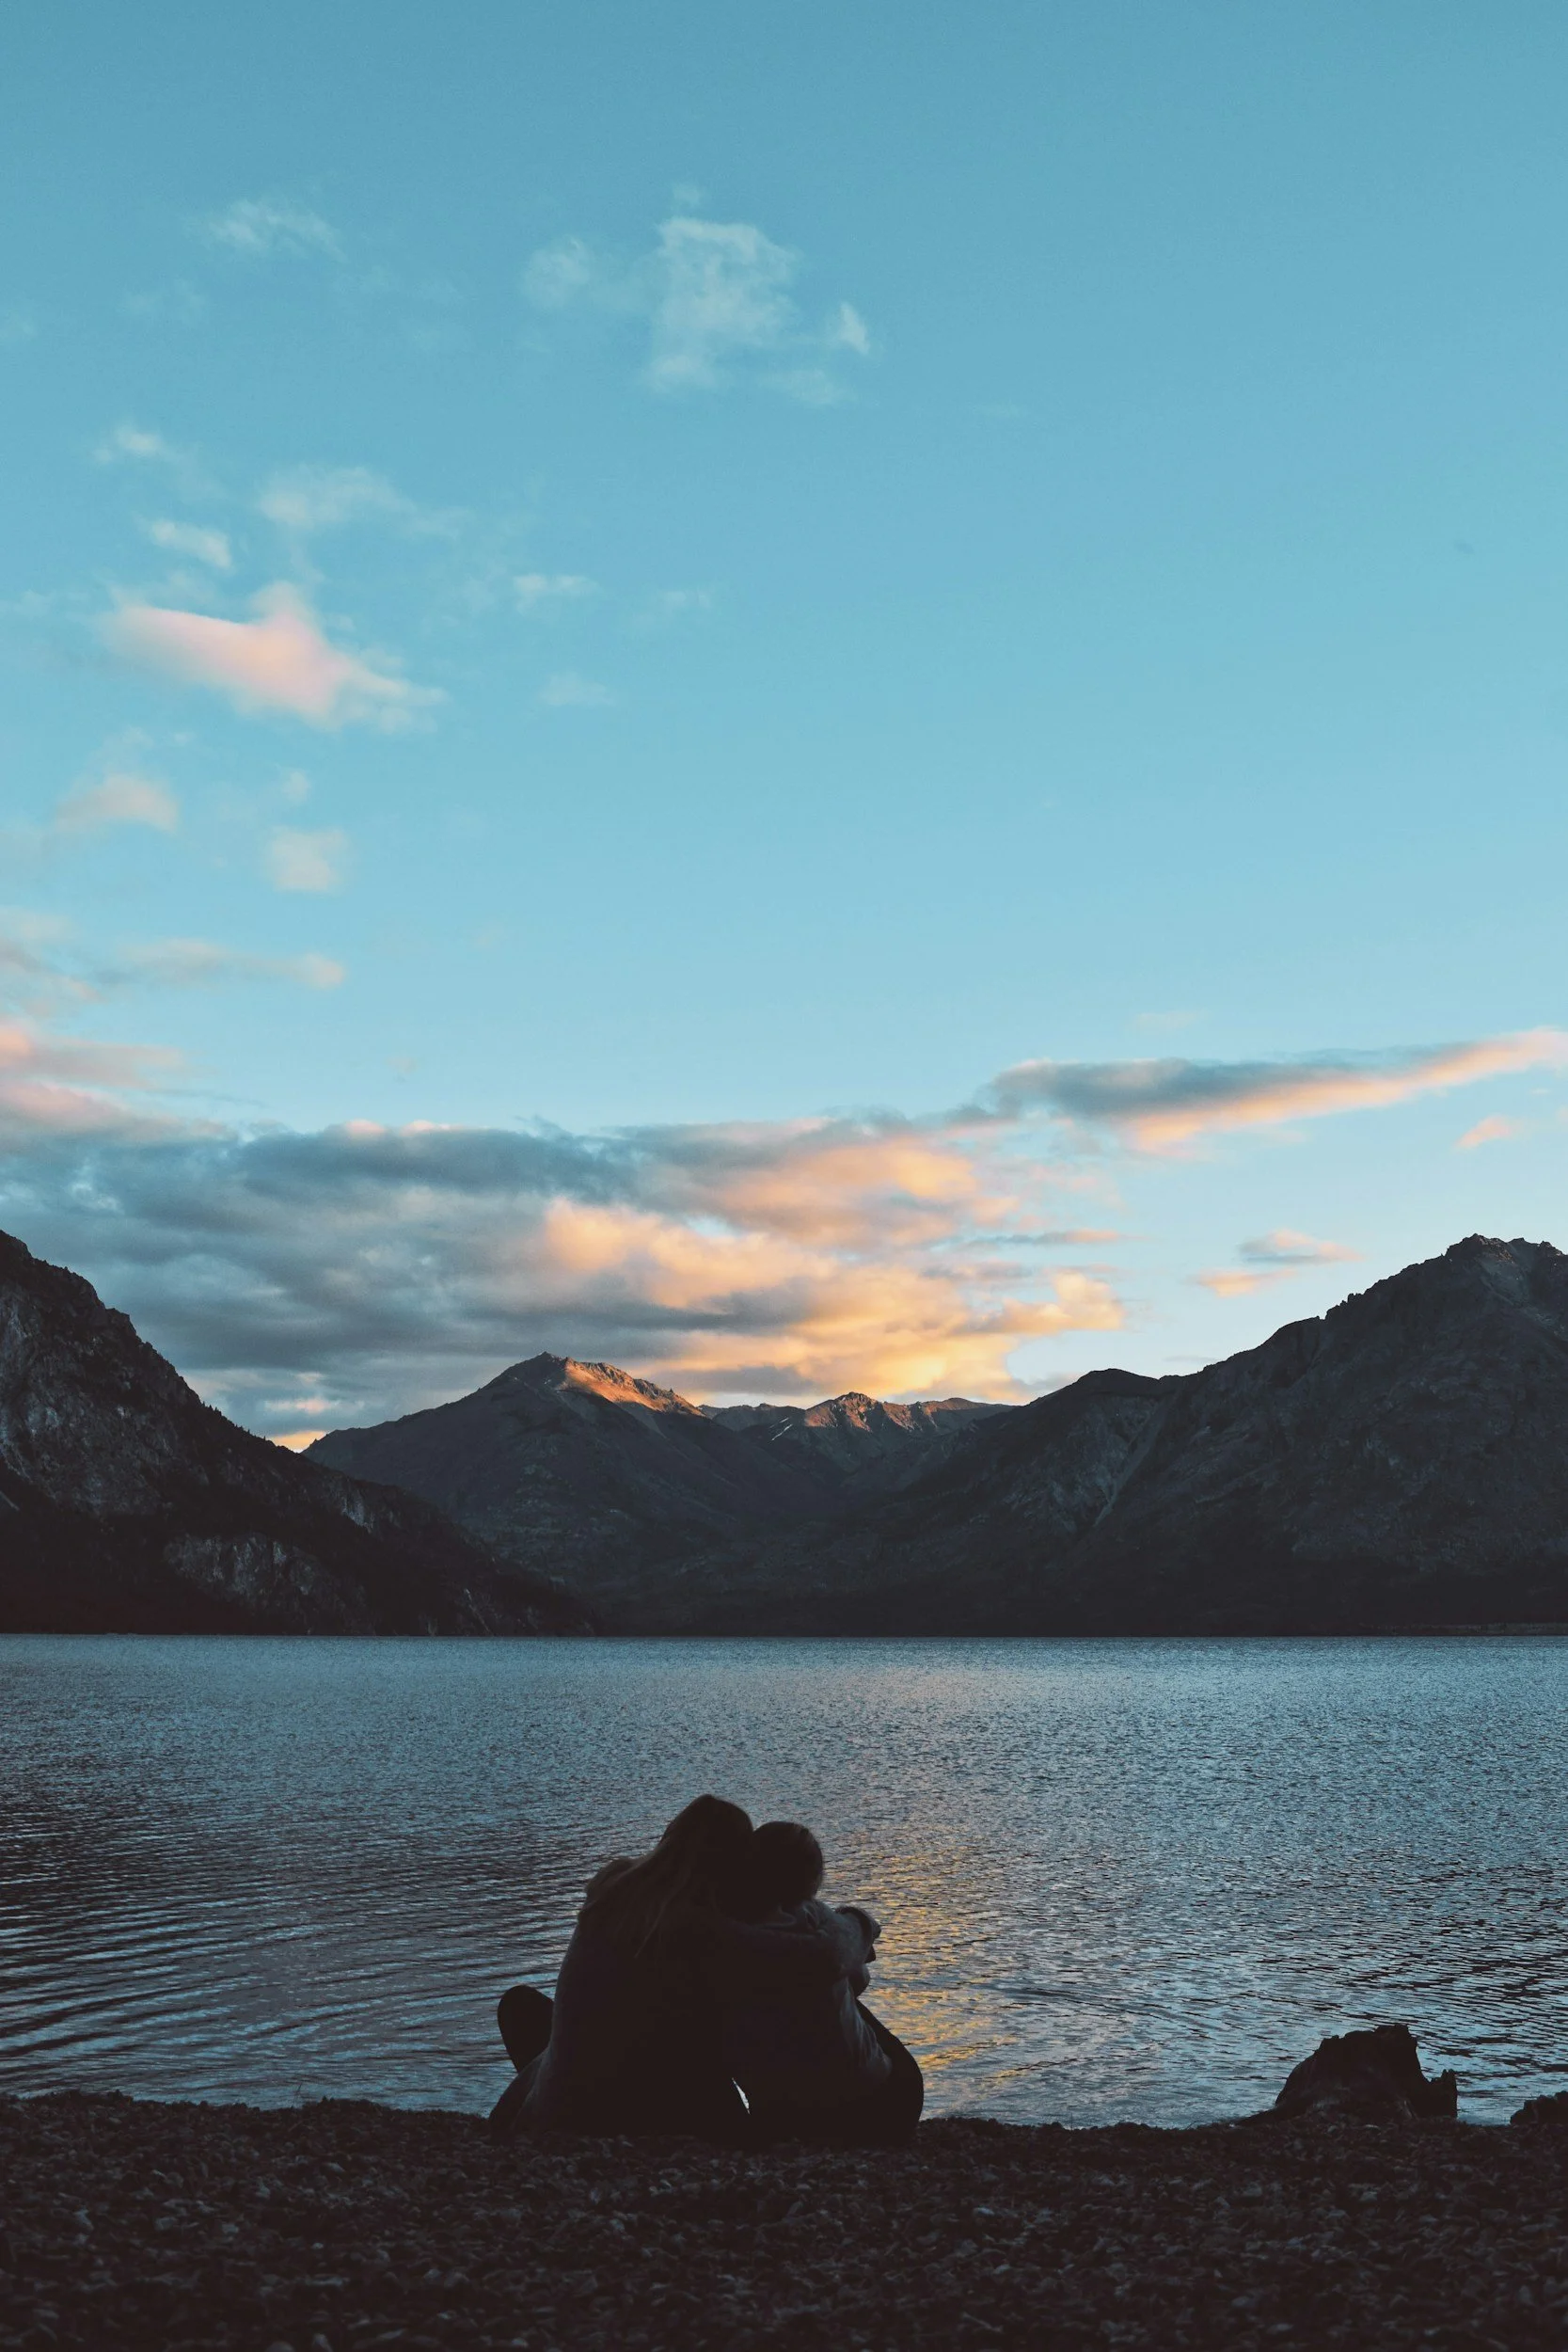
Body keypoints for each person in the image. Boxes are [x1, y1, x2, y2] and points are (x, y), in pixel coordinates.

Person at [489, 1795, 877, 2140]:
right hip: (630, 2109)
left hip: (554, 2095)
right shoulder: (701, 1926)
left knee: (538, 2014)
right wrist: (858, 1924)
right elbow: (824, 1959)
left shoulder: (614, 1886)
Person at [722, 1820, 925, 2146]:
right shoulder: (816, 1920)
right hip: (881, 2109)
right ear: (812, 1879)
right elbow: (858, 1977)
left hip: (779, 2114)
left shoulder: (713, 1929)